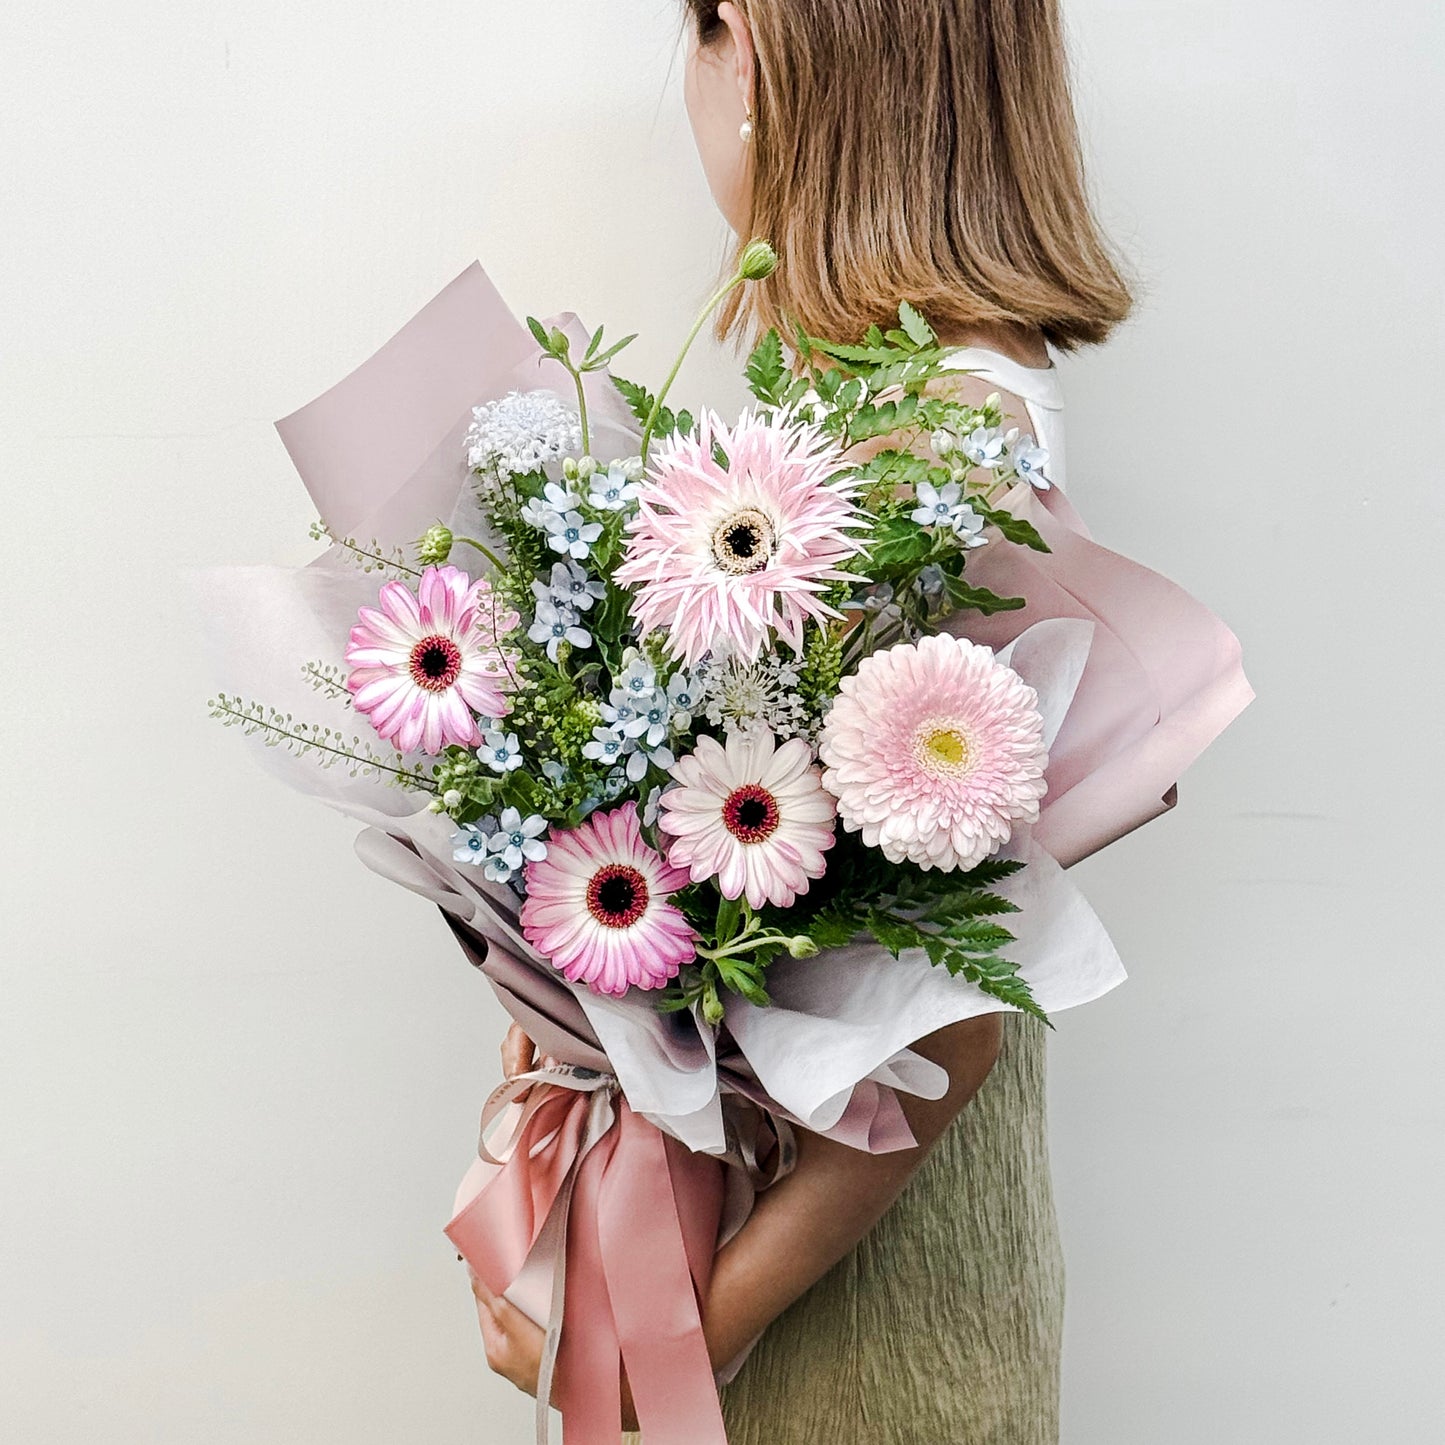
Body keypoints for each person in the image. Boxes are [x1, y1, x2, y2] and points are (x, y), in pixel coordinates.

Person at [470, 2, 1134, 1439]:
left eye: (705, 25)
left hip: (847, 1283)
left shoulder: (944, 437)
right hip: (781, 1226)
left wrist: (667, 1342)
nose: (695, 73)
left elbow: (949, 1001)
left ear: (773, 57)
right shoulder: (879, 409)